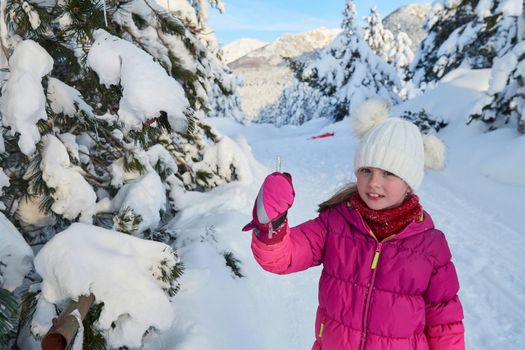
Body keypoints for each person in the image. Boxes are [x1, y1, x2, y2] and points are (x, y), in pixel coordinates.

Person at [242, 98, 465, 350]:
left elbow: (446, 324)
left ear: (409, 182)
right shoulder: (336, 223)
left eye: (389, 173)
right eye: (366, 170)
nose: (374, 183)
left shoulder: (431, 246)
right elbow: (282, 258)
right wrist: (271, 223)